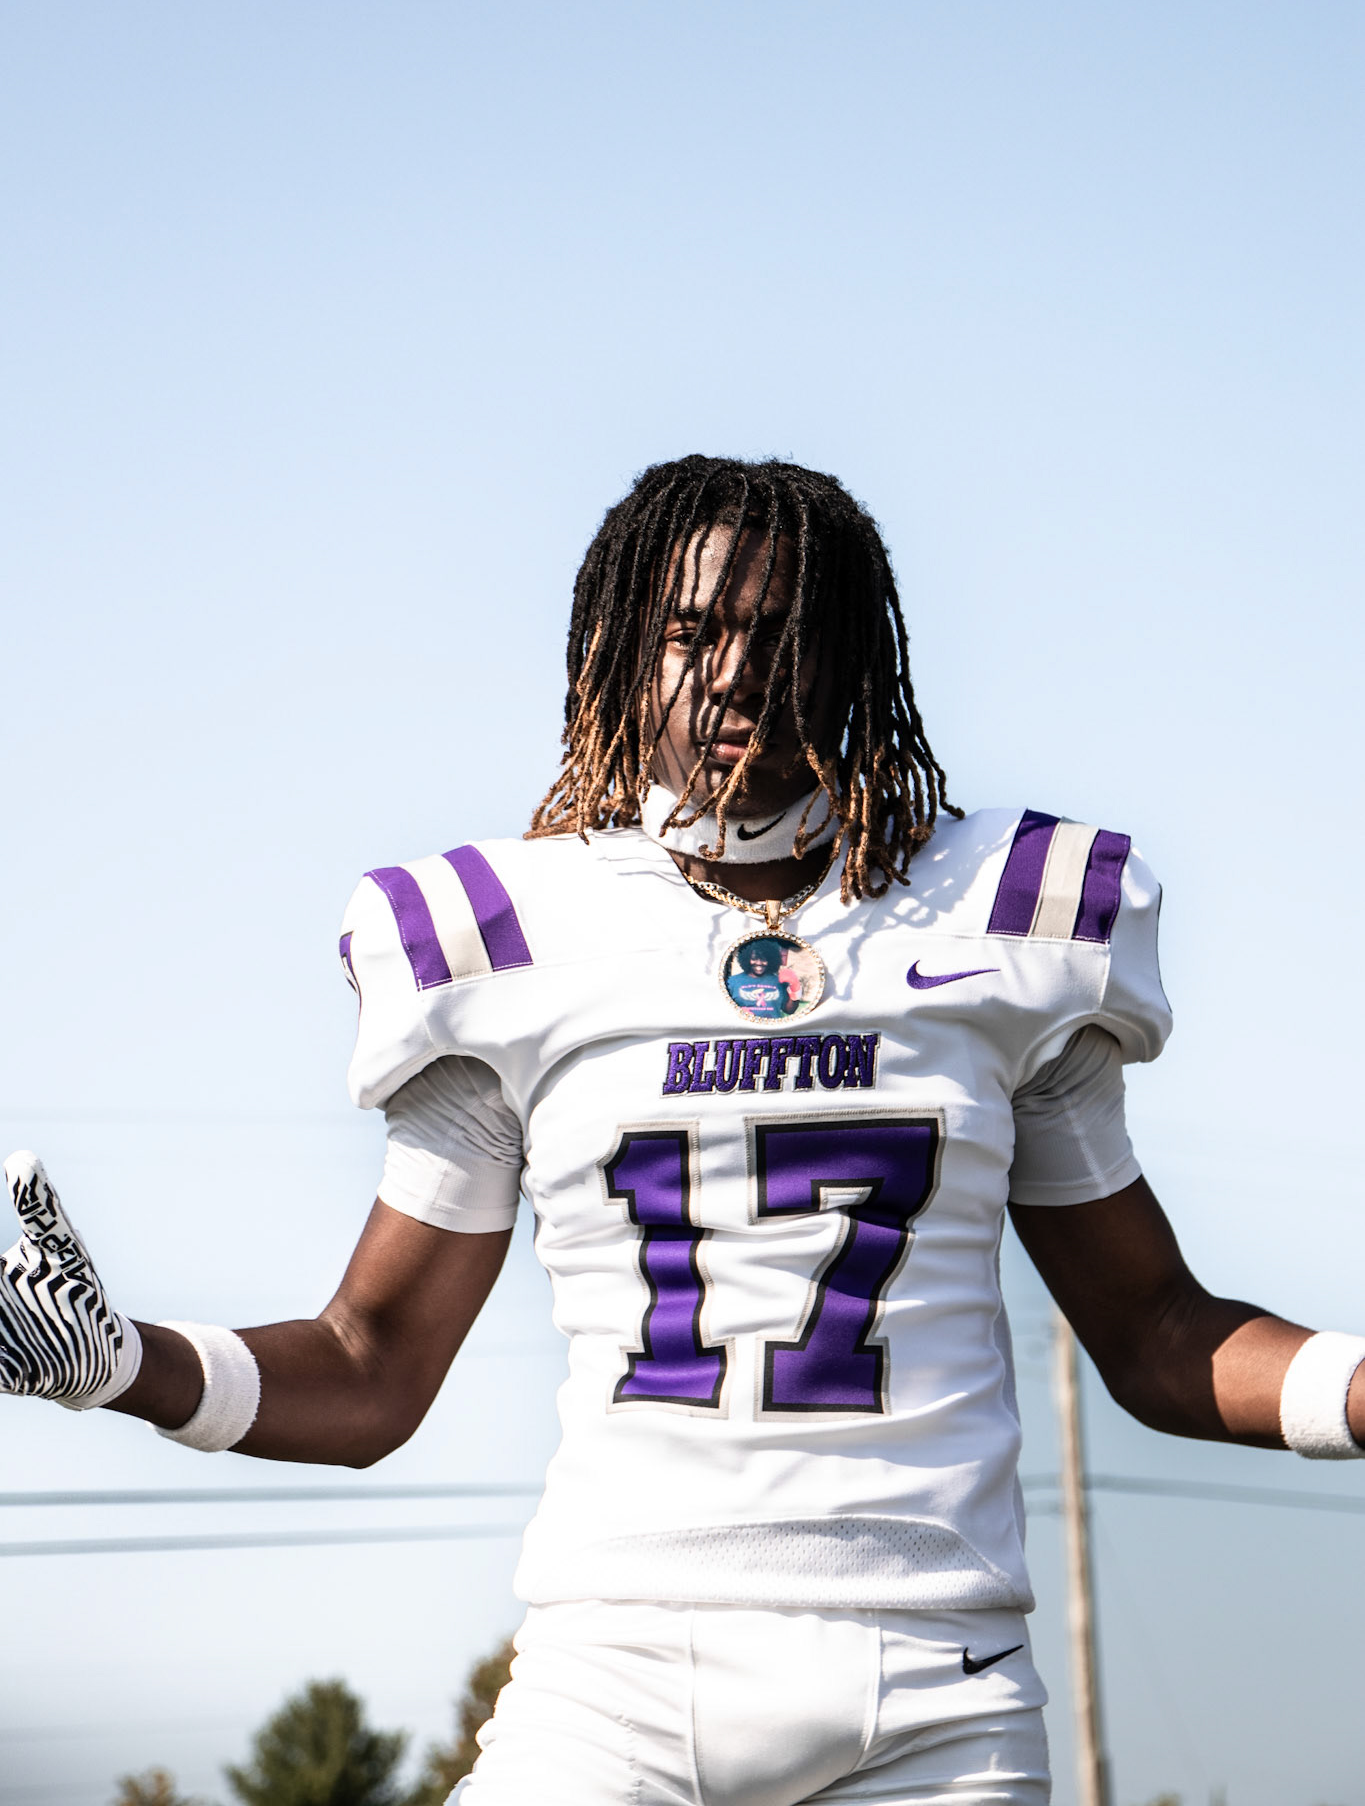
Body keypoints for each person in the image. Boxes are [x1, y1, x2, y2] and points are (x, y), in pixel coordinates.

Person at [3, 455, 1363, 1806]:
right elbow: (372, 1364)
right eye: (689, 634)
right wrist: (123, 1366)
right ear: (614, 655)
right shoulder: (506, 939)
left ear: (852, 658)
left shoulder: (1009, 917)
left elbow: (1158, 1334)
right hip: (614, 1686)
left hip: (936, 1694)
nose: (733, 677)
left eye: (781, 635)